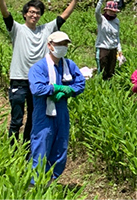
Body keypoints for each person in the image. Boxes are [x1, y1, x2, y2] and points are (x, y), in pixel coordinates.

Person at [0, 0, 83, 144]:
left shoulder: (45, 30)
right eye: (31, 12)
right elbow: (5, 14)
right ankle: (12, 150)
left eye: (38, 13)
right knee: (16, 120)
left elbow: (63, 17)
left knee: (34, 119)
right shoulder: (17, 29)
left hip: (39, 82)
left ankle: (27, 150)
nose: (35, 15)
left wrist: (75, 0)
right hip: (19, 80)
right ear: (25, 14)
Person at [27, 31, 85, 184]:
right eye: (59, 44)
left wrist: (69, 90)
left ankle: (52, 179)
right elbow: (37, 89)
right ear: (50, 45)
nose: (62, 47)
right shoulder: (39, 67)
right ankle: (35, 183)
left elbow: (80, 84)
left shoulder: (69, 65)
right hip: (43, 112)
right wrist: (57, 88)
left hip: (61, 112)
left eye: (65, 44)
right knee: (41, 145)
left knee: (60, 145)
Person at [95, 0, 122, 80]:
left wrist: (119, 49)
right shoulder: (101, 19)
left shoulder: (116, 21)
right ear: (106, 10)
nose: (112, 12)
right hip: (103, 47)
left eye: (114, 11)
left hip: (113, 48)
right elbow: (96, 12)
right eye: (110, 10)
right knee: (102, 69)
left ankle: (109, 86)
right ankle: (100, 84)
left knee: (111, 69)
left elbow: (117, 36)